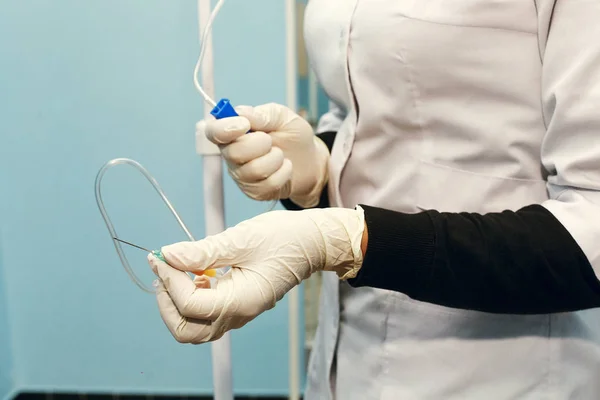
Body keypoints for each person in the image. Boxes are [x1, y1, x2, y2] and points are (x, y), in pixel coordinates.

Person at [147, 1, 600, 398]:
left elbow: (592, 225)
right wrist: (315, 171)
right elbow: (360, 113)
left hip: (503, 373)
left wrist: (347, 242)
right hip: (347, 360)